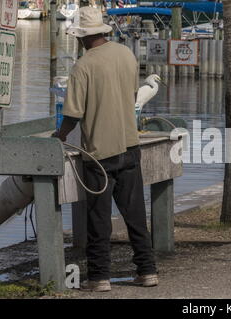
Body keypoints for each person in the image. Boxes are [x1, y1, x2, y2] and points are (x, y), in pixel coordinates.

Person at [53, 6, 158, 292]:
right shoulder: (126, 54)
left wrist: (59, 135)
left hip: (100, 153)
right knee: (135, 214)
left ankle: (99, 277)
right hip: (130, 145)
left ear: (82, 38)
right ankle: (147, 271)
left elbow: (72, 114)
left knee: (98, 219)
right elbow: (133, 95)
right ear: (103, 32)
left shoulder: (83, 66)